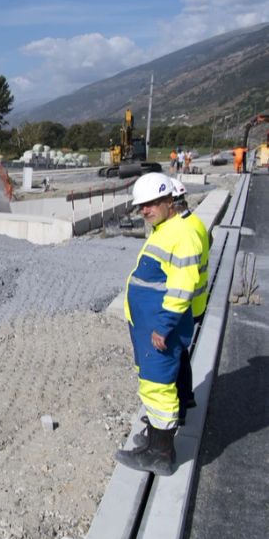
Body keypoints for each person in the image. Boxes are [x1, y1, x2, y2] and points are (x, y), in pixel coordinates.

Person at [116, 172, 202, 476]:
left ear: (170, 200)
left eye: (151, 204)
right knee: (152, 385)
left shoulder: (182, 234)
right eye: (142, 206)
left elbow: (182, 287)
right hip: (149, 326)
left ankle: (161, 454)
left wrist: (163, 326)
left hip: (159, 330)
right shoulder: (165, 228)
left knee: (159, 388)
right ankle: (154, 440)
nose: (145, 210)